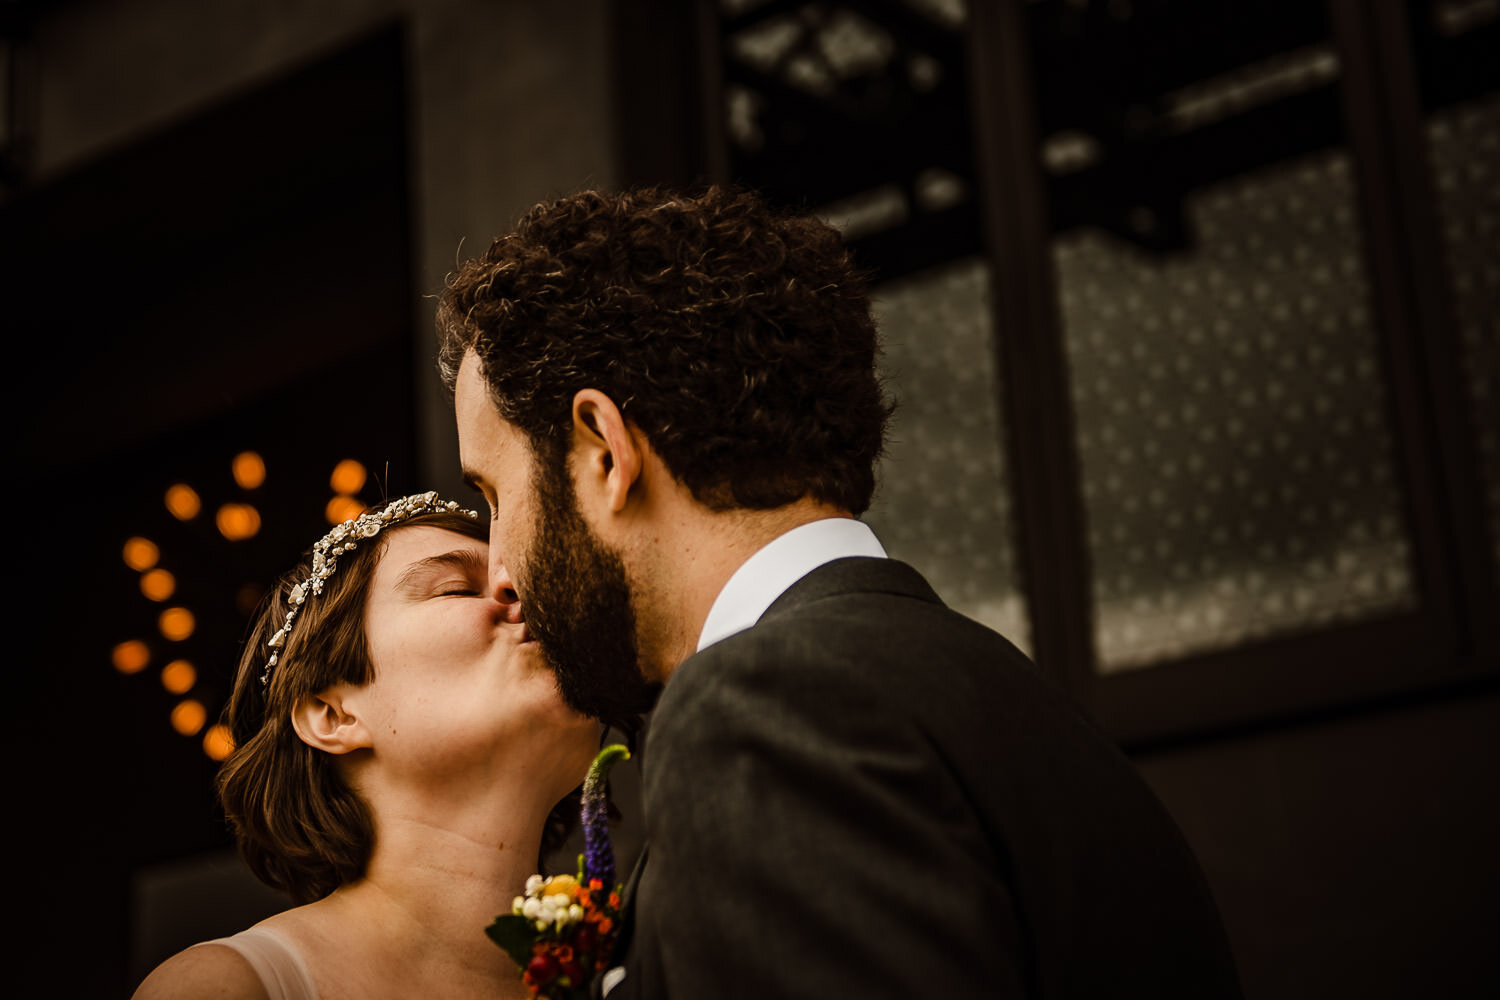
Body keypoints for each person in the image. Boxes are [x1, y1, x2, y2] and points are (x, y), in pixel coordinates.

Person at [437, 185, 1243, 998]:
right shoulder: (999, 687)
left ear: (604, 453)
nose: (499, 564)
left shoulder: (758, 712)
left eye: (496, 494)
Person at [132, 492, 604, 1000]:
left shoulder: (638, 958)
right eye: (454, 588)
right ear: (333, 715)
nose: (524, 593)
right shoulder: (228, 988)